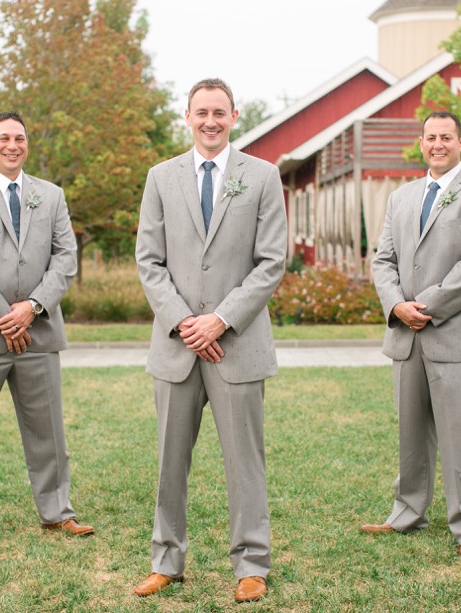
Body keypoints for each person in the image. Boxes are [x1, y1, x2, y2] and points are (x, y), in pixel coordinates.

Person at [134, 78, 287, 602]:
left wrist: (220, 319)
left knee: (245, 459)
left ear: (234, 115)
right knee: (168, 460)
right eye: (202, 112)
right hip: (176, 345)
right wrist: (184, 323)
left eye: (219, 112)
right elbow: (148, 261)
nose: (210, 121)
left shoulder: (263, 177)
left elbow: (271, 263)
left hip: (237, 344)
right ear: (188, 116)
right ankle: (166, 560)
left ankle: (252, 563)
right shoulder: (160, 177)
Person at [0, 112, 93, 551]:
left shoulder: (52, 195)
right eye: (3, 138)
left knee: (48, 431)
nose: (13, 145)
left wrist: (32, 308)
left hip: (39, 333)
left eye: (20, 138)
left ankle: (58, 512)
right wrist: (4, 317)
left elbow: (66, 259)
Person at [361, 111, 461, 558]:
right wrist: (395, 305)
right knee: (411, 432)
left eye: (447, 137)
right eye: (431, 137)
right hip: (407, 336)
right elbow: (382, 259)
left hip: (458, 334)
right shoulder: (402, 197)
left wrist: (426, 306)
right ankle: (408, 511)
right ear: (420, 143)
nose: (438, 144)